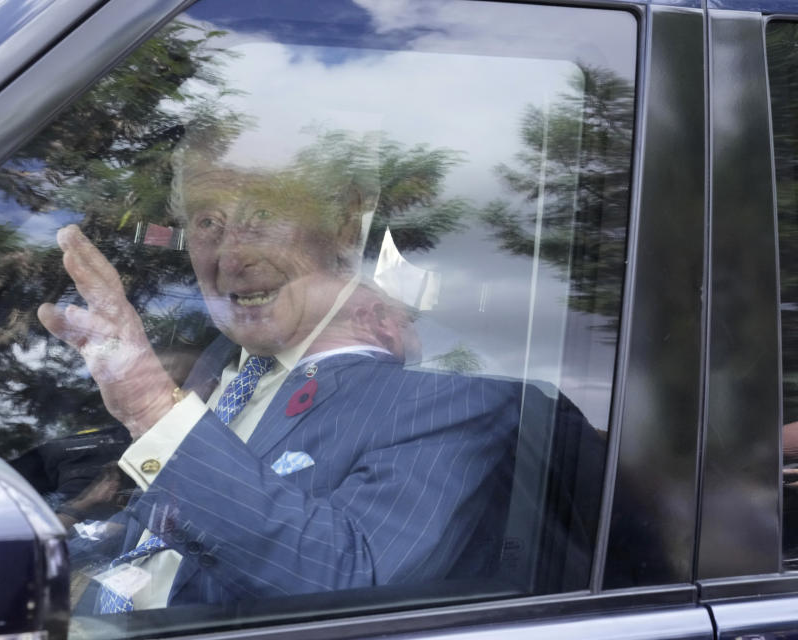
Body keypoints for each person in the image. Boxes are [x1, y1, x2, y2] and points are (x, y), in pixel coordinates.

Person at [38, 155, 523, 610]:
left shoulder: (449, 400)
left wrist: (150, 409)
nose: (230, 256)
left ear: (344, 229)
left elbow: (355, 593)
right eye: (207, 223)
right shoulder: (210, 375)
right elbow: (150, 539)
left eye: (263, 214)